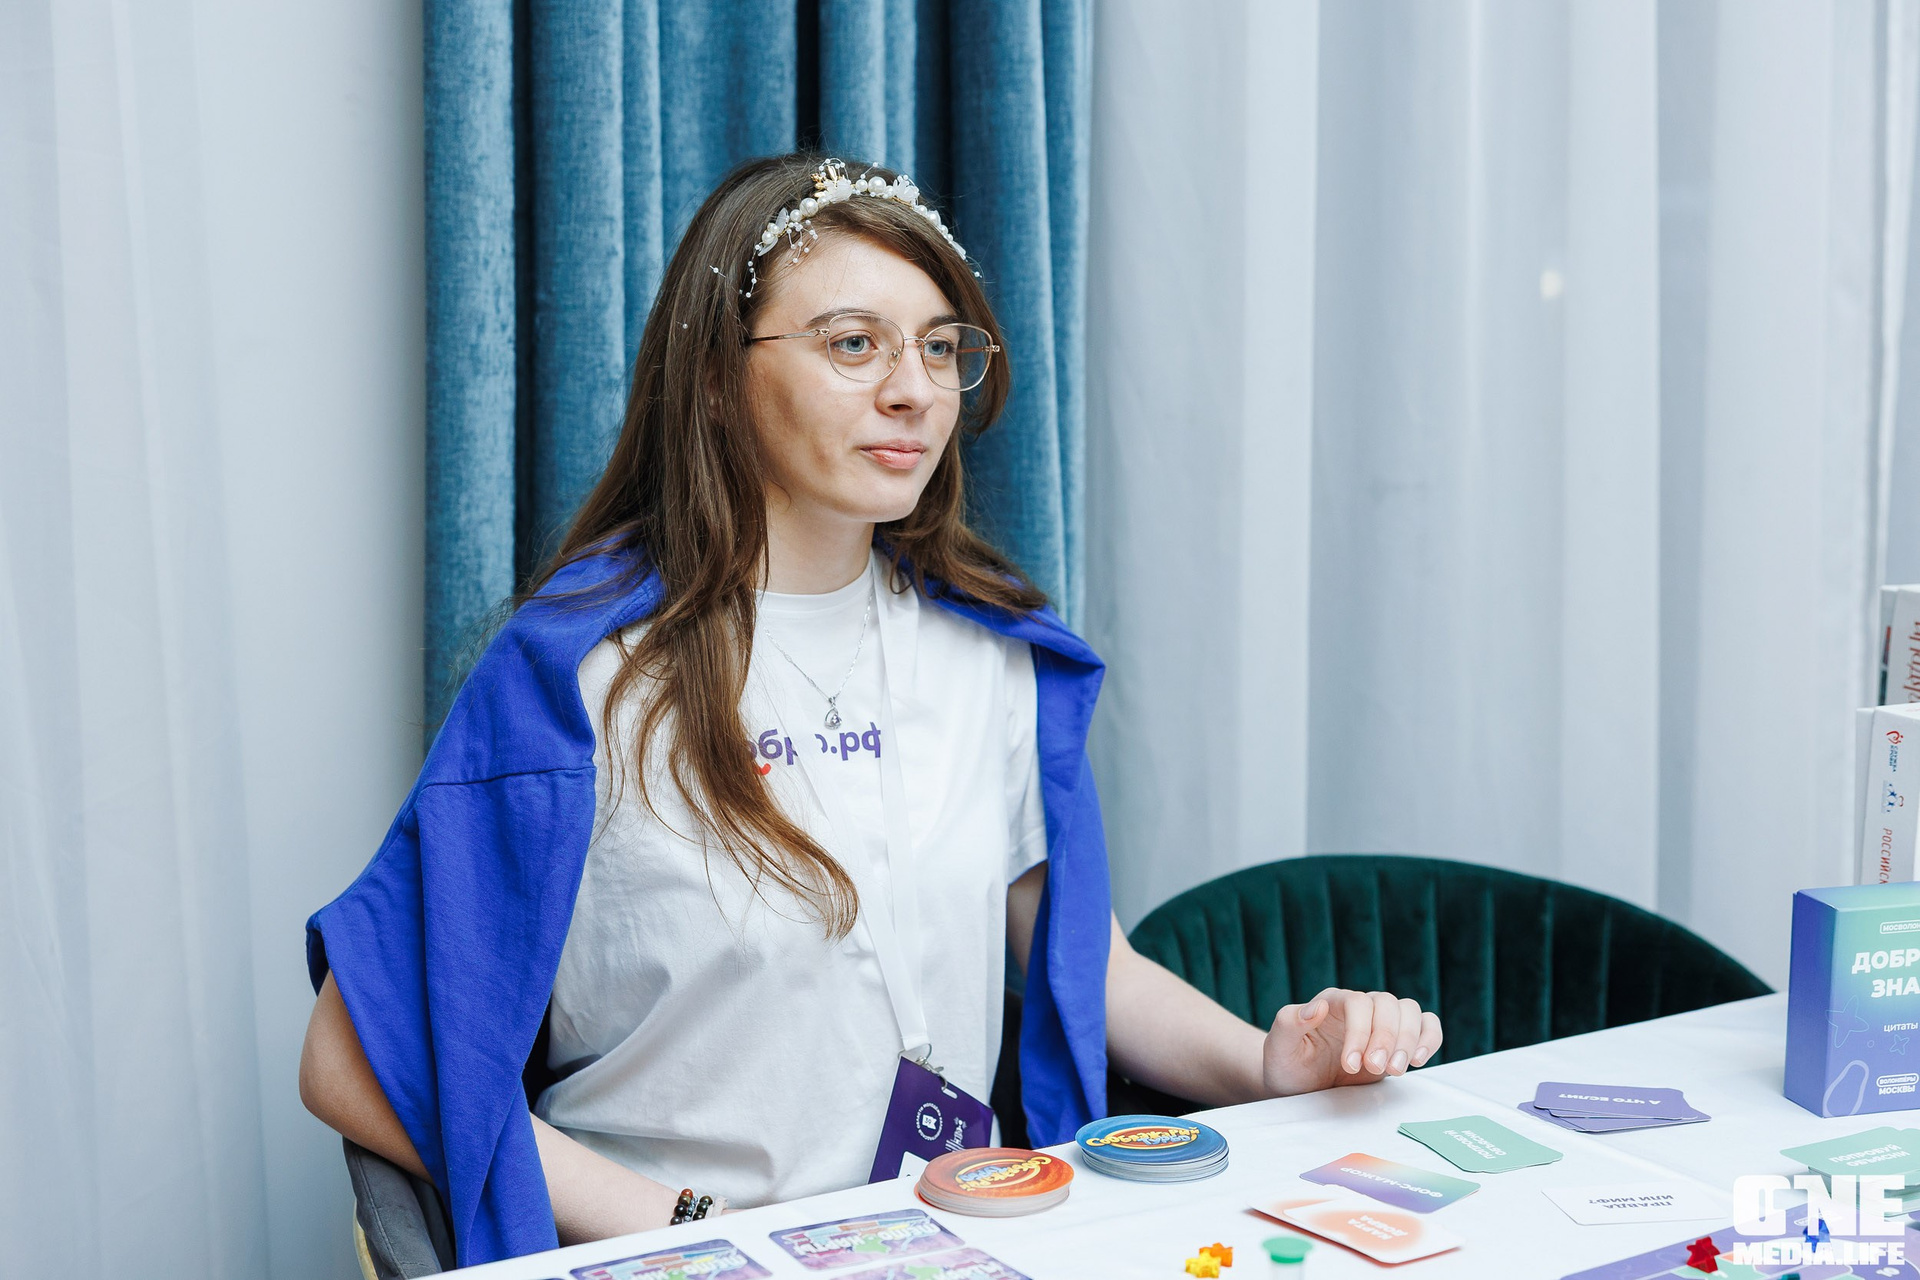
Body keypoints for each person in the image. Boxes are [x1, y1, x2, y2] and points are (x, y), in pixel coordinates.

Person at [298, 152, 1443, 1267]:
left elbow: (1084, 966)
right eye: (854, 343)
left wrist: (1268, 1062)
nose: (914, 389)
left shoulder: (992, 652)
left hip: (962, 1245)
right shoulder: (579, 677)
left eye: (940, 347)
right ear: (716, 375)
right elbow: (349, 1060)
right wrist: (691, 1227)